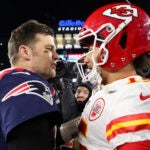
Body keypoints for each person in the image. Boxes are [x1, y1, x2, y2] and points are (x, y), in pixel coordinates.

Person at [76, 2, 150, 150]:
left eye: (91, 48)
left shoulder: (133, 100)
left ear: (119, 44)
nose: (85, 58)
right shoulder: (115, 90)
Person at [0, 19, 80, 150]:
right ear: (25, 52)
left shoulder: (9, 80)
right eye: (48, 50)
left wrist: (81, 124)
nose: (56, 56)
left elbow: (40, 137)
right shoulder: (27, 83)